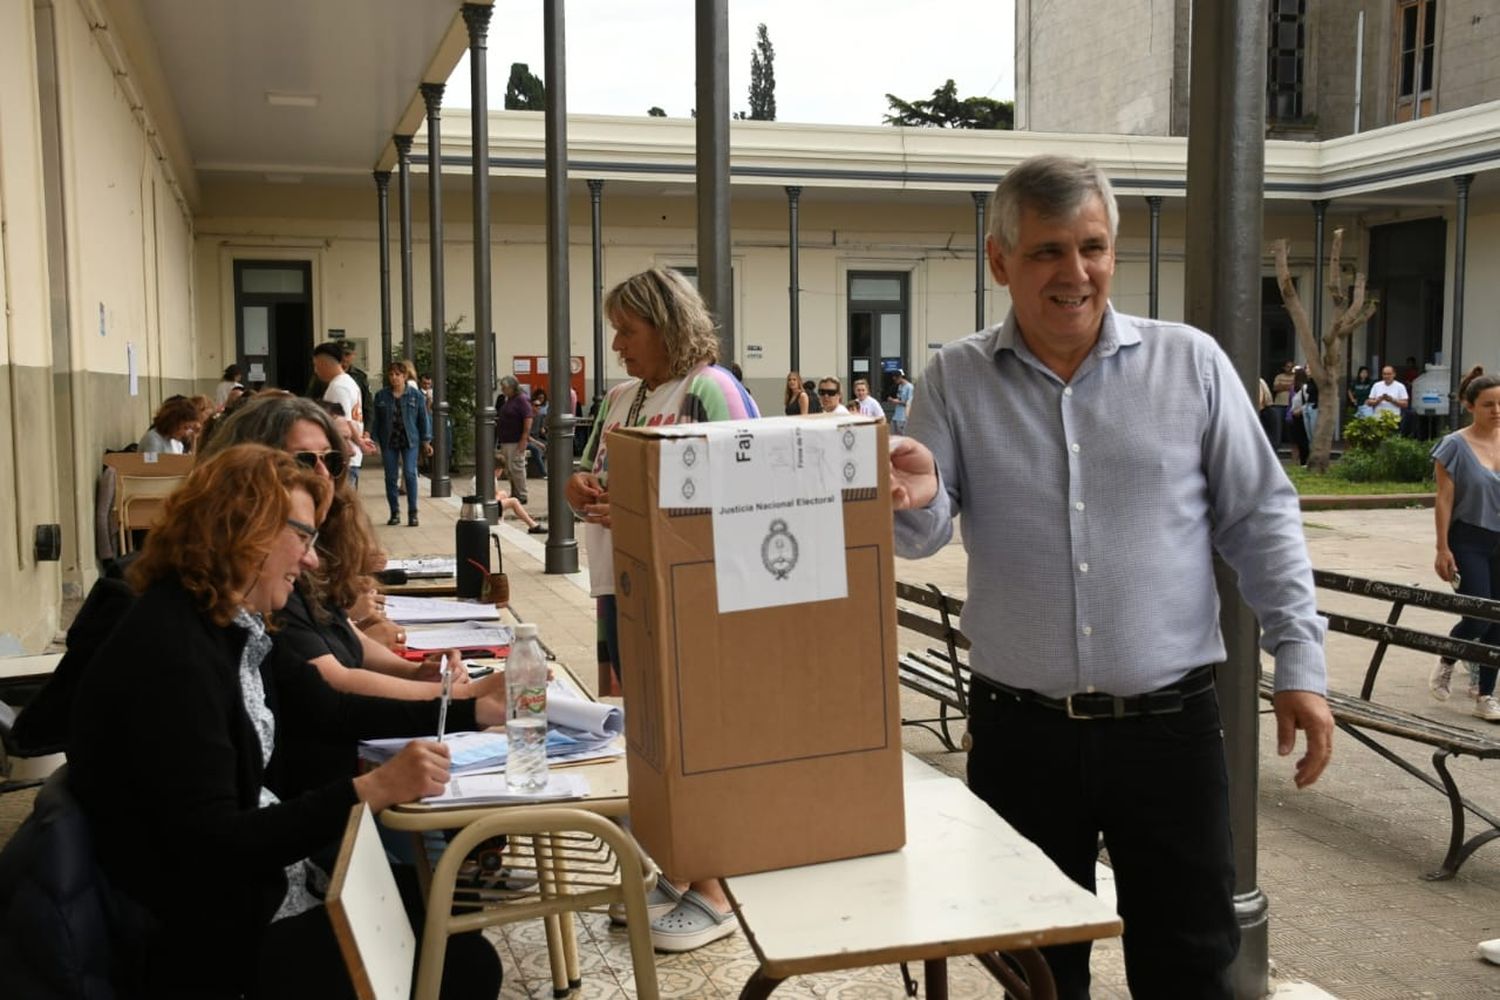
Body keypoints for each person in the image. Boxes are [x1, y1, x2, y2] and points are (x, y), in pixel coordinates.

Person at [887, 155, 1332, 998]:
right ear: (1000, 260)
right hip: (1021, 736)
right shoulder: (956, 378)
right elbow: (921, 534)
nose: (1075, 273)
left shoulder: (1191, 365)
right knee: (1037, 970)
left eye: (1092, 247)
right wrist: (917, 493)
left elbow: (1261, 518)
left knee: (1191, 965)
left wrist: (1300, 665)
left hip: (1170, 732)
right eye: (1048, 251)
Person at [67, 445, 504, 999]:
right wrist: (370, 790)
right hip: (214, 940)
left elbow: (327, 706)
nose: (313, 560)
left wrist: (465, 707)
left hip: (259, 891)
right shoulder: (171, 653)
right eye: (302, 538)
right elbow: (213, 845)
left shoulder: (223, 624)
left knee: (445, 915)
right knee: (459, 958)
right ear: (244, 532)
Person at [565, 267, 757, 952]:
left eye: (628, 329)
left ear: (667, 325)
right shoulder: (622, 397)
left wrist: (638, 512)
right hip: (624, 591)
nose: (617, 343)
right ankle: (679, 868)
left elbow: (749, 493)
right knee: (651, 738)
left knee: (695, 735)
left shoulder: (712, 390)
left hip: (693, 601)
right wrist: (581, 489)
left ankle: (716, 886)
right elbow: (586, 474)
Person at [1429, 366, 1500, 720]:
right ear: (1470, 406)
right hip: (1468, 539)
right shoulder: (1454, 445)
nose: (1497, 411)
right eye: (1488, 404)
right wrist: (1443, 548)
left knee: (1498, 622)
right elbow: (1443, 499)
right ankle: (1447, 657)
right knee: (1479, 617)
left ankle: (1486, 694)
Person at [372, 361, 432, 527]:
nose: (394, 378)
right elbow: (377, 421)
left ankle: (413, 513)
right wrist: (374, 441)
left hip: (410, 439)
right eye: (391, 374)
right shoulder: (381, 396)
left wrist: (426, 441)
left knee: (410, 473)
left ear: (405, 376)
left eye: (398, 374)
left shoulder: (415, 395)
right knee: (391, 477)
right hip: (389, 440)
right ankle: (394, 512)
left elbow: (423, 419)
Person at [313, 341, 365, 486]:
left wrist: (359, 442)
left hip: (343, 458)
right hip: (349, 457)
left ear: (324, 363)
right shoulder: (347, 382)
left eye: (316, 365)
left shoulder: (338, 387)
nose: (316, 371)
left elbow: (345, 423)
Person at [494, 376, 533, 505]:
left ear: (512, 388)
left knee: (516, 467)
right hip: (507, 439)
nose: (503, 390)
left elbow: (528, 418)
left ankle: (522, 494)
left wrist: (524, 438)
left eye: (505, 388)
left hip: (516, 440)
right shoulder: (510, 399)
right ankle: (515, 492)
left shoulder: (521, 400)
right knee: (509, 468)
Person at [886, 369, 913, 433]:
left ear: (900, 377)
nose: (895, 381)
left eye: (896, 379)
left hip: (903, 417)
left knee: (902, 436)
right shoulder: (900, 386)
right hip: (896, 415)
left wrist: (897, 402)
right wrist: (892, 400)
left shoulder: (910, 387)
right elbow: (900, 398)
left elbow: (910, 403)